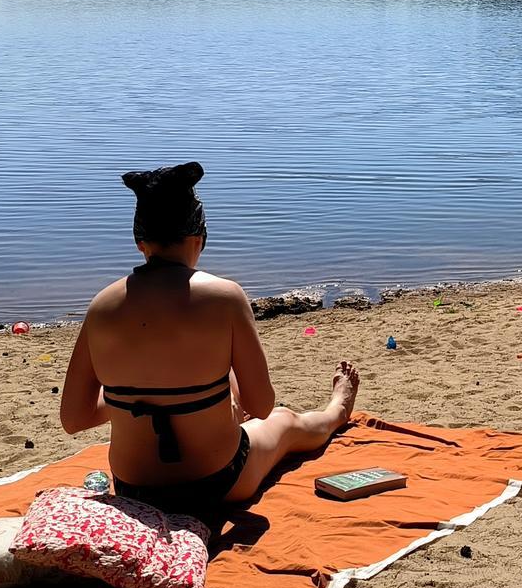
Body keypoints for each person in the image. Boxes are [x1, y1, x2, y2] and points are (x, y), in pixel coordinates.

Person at [60, 162, 359, 527]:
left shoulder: (101, 305)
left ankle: (211, 404)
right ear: (199, 237)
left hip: (133, 488)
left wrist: (138, 397)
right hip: (216, 481)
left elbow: (74, 419)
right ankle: (336, 411)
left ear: (140, 243)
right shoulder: (224, 296)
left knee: (216, 388)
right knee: (283, 420)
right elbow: (261, 405)